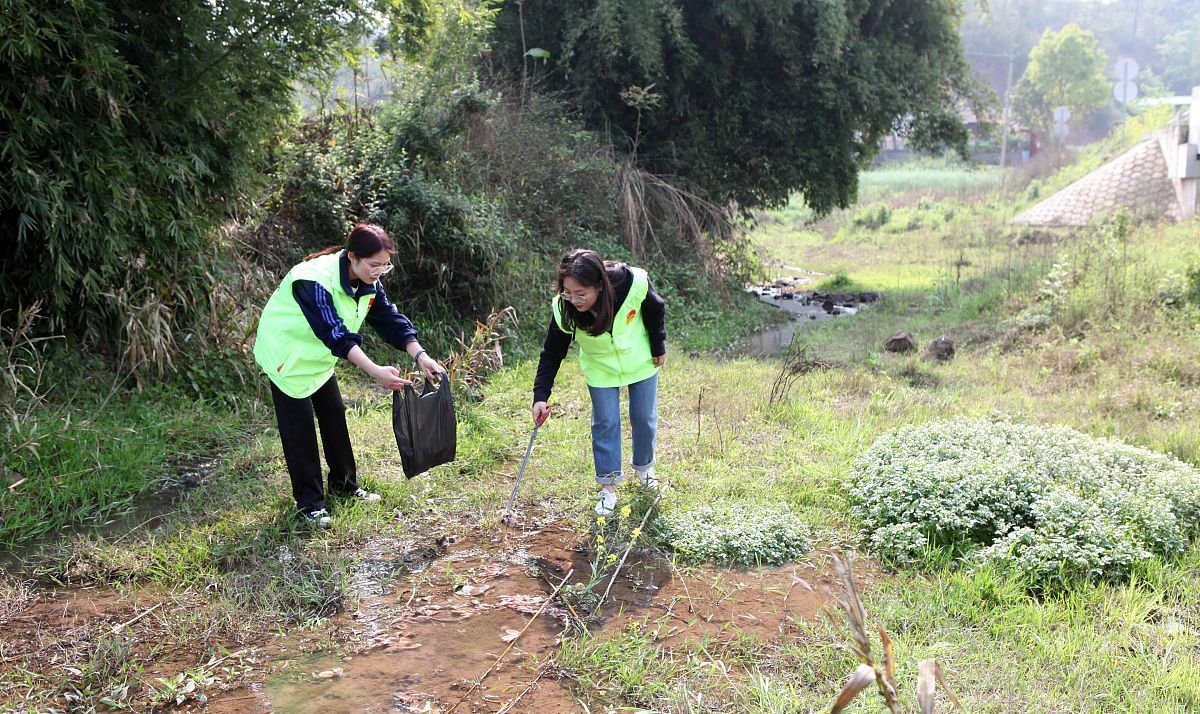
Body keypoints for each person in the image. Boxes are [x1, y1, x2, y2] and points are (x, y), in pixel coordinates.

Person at [254, 223, 444, 527]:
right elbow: (336, 334)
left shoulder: (369, 281)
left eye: (386, 265)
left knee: (333, 415)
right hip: (285, 357)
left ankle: (344, 487)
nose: (380, 271)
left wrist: (420, 355)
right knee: (299, 430)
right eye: (374, 265)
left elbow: (390, 320)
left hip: (316, 357)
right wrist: (375, 372)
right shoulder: (313, 280)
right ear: (352, 256)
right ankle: (310, 505)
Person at [532, 249, 667, 516]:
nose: (574, 300)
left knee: (643, 417)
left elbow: (655, 308)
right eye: (568, 292)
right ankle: (608, 488)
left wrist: (657, 344)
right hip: (600, 370)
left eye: (581, 293)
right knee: (605, 422)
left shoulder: (632, 283)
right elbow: (552, 353)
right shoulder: (565, 309)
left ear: (601, 285)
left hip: (639, 361)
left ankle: (644, 470)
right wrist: (540, 395)